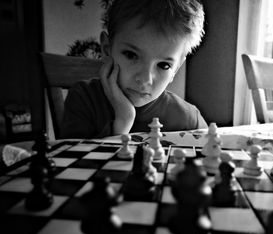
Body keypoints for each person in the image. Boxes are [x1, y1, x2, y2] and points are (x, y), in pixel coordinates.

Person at [61, 0, 207, 139]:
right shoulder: (84, 99)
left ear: (176, 68)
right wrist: (123, 122)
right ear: (107, 50)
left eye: (164, 65)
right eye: (131, 55)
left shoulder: (189, 120)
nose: (145, 79)